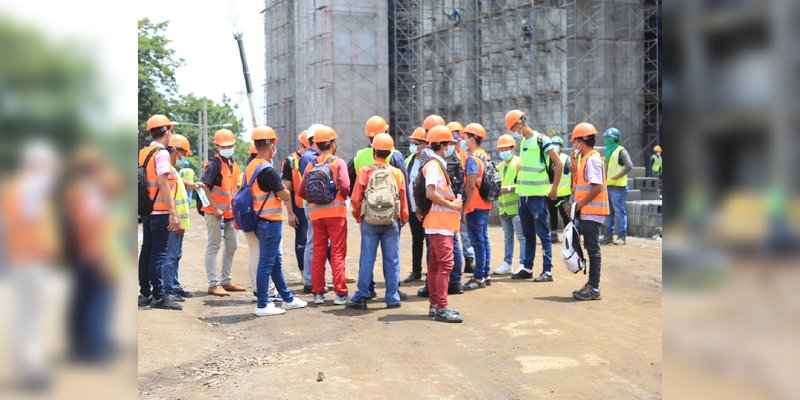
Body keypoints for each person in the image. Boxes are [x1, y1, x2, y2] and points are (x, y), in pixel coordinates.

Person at [244, 126, 307, 315]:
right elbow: (284, 194)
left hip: (260, 220)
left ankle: (287, 298)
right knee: (266, 263)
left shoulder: (251, 166)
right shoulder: (267, 170)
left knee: (274, 262)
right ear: (271, 145)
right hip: (269, 221)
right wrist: (290, 188)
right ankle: (263, 304)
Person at [346, 133, 409, 309]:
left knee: (367, 259)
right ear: (389, 153)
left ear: (374, 151)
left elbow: (356, 198)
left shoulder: (366, 171)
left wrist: (359, 216)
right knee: (392, 259)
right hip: (391, 221)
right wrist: (402, 218)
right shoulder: (396, 173)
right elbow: (403, 198)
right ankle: (392, 298)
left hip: (370, 221)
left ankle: (362, 297)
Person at [504, 109, 563, 283]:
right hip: (523, 196)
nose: (513, 131)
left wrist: (554, 189)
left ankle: (547, 270)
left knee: (543, 234)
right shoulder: (523, 142)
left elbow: (558, 163)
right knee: (528, 234)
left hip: (537, 196)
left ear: (520, 123)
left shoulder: (541, 140)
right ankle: (527, 268)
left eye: (513, 127)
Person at [298, 125, 351, 305]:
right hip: (335, 213)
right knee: (337, 252)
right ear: (333, 144)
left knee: (318, 252)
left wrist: (315, 200)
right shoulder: (338, 162)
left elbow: (301, 190)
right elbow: (345, 185)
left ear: (316, 145)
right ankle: (340, 294)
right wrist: (339, 197)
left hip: (316, 214)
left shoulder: (311, 164)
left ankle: (318, 293)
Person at [137, 114, 183, 310]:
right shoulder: (162, 153)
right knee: (158, 253)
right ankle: (159, 295)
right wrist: (172, 212)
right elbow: (163, 182)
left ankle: (145, 293)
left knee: (146, 251)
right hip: (160, 210)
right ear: (168, 132)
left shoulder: (143, 151)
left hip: (147, 209)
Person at [420, 125, 464, 323]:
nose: (451, 148)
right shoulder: (433, 166)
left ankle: (436, 304)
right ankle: (441, 308)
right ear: (442, 144)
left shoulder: (436, 164)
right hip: (439, 224)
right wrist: (452, 204)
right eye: (449, 144)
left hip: (439, 223)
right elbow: (430, 192)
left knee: (437, 265)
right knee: (445, 264)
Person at [196, 129, 246, 296]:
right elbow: (202, 188)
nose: (228, 148)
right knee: (214, 246)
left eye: (230, 145)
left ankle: (226, 281)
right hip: (214, 213)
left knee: (232, 245)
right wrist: (214, 208)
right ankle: (213, 284)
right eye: (224, 146)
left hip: (230, 213)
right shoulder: (214, 164)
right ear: (217, 146)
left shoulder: (233, 162)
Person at [568, 122, 609, 300]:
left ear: (581, 141)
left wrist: (578, 205)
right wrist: (575, 165)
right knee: (590, 247)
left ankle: (594, 288)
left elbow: (596, 187)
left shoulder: (592, 159)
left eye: (575, 141)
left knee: (593, 249)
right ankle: (591, 285)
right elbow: (579, 185)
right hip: (587, 211)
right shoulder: (585, 159)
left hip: (592, 211)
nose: (573, 145)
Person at [298, 124, 332, 293]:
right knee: (313, 242)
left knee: (316, 242)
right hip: (315, 204)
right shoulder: (310, 157)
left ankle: (314, 279)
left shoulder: (309, 157)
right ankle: (310, 280)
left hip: (314, 203)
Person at [162, 133, 197, 302]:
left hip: (177, 221)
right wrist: (176, 219)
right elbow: (170, 196)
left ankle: (174, 286)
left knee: (176, 255)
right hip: (174, 221)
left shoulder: (173, 170)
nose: (182, 157)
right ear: (175, 150)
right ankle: (168, 289)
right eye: (181, 153)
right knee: (170, 256)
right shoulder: (168, 170)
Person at [243, 141, 279, 303]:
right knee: (262, 257)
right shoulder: (263, 170)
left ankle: (259, 291)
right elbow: (281, 193)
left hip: (247, 217)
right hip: (262, 218)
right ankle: (265, 295)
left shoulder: (247, 171)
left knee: (255, 254)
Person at [460, 123, 493, 290]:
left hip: (475, 205)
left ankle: (479, 276)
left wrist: (464, 209)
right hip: (485, 203)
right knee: (484, 240)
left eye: (465, 138)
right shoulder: (485, 156)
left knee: (477, 241)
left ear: (472, 140)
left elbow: (471, 186)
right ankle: (485, 274)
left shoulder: (472, 159)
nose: (462, 141)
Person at [446, 121, 477, 273]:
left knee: (465, 231)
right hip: (449, 198)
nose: (456, 138)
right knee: (451, 232)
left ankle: (469, 259)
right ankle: (453, 261)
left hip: (462, 196)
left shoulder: (465, 154)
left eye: (458, 134)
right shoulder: (447, 154)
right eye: (453, 135)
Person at [494, 134, 525, 275]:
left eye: (506, 149)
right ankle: (507, 263)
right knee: (507, 237)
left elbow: (522, 185)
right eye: (501, 149)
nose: (503, 152)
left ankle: (523, 264)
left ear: (513, 148)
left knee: (521, 237)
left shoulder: (519, 163)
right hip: (504, 207)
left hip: (516, 207)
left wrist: (505, 189)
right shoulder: (500, 166)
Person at [281, 131, 309, 274]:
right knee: (302, 241)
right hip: (299, 208)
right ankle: (304, 274)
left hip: (315, 206)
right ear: (302, 146)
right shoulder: (290, 162)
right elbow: (286, 189)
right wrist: (290, 213)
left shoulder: (316, 158)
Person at [403, 127, 428, 283]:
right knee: (416, 239)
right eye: (411, 142)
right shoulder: (410, 159)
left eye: (416, 143)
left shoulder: (429, 161)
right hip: (413, 208)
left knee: (431, 241)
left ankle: (431, 271)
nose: (412, 146)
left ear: (425, 144)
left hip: (426, 208)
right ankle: (416, 271)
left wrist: (421, 207)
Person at [600, 127, 633, 245]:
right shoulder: (609, 152)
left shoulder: (621, 151)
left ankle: (621, 237)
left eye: (607, 138)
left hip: (618, 188)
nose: (605, 140)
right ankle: (608, 236)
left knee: (620, 212)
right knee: (609, 213)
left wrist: (617, 176)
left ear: (613, 139)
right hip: (608, 187)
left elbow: (629, 166)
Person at [546, 135, 572, 243]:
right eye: (553, 145)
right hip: (550, 193)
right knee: (552, 213)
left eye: (557, 145)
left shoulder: (566, 159)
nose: (555, 147)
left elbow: (573, 171)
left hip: (563, 194)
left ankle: (568, 235)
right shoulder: (547, 158)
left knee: (565, 214)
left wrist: (573, 186)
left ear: (561, 147)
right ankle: (554, 234)